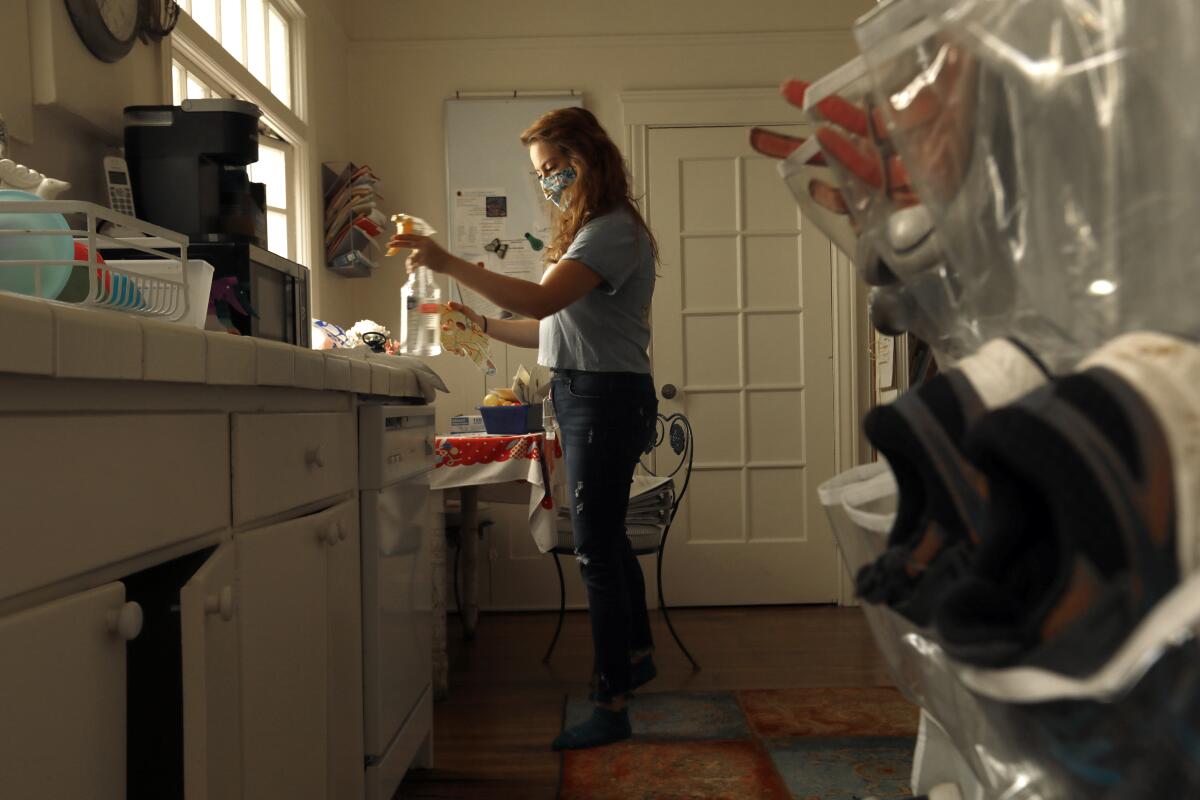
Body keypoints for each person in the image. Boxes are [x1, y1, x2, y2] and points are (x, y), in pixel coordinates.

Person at [388, 107, 660, 750]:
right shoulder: (590, 232)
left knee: (594, 548)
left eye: (552, 169)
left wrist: (447, 260)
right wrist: (476, 323)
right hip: (583, 390)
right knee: (608, 539)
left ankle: (612, 702)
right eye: (539, 174)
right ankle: (637, 655)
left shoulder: (612, 231)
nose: (547, 183)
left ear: (585, 156)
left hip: (604, 397)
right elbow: (546, 329)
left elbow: (539, 302)